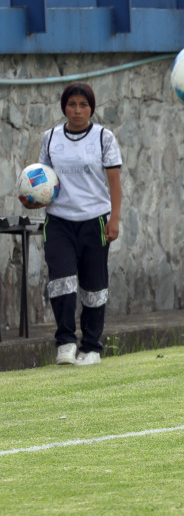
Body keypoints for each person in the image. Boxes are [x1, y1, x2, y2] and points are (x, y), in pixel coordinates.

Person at [18, 82, 123, 366]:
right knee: (61, 281)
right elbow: (42, 181)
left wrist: (114, 219)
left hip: (95, 221)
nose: (77, 110)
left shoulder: (104, 137)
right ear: (64, 107)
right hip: (59, 222)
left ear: (92, 108)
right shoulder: (50, 137)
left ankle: (91, 347)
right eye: (72, 104)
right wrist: (32, 201)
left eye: (83, 105)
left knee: (94, 286)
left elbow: (114, 183)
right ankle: (65, 342)